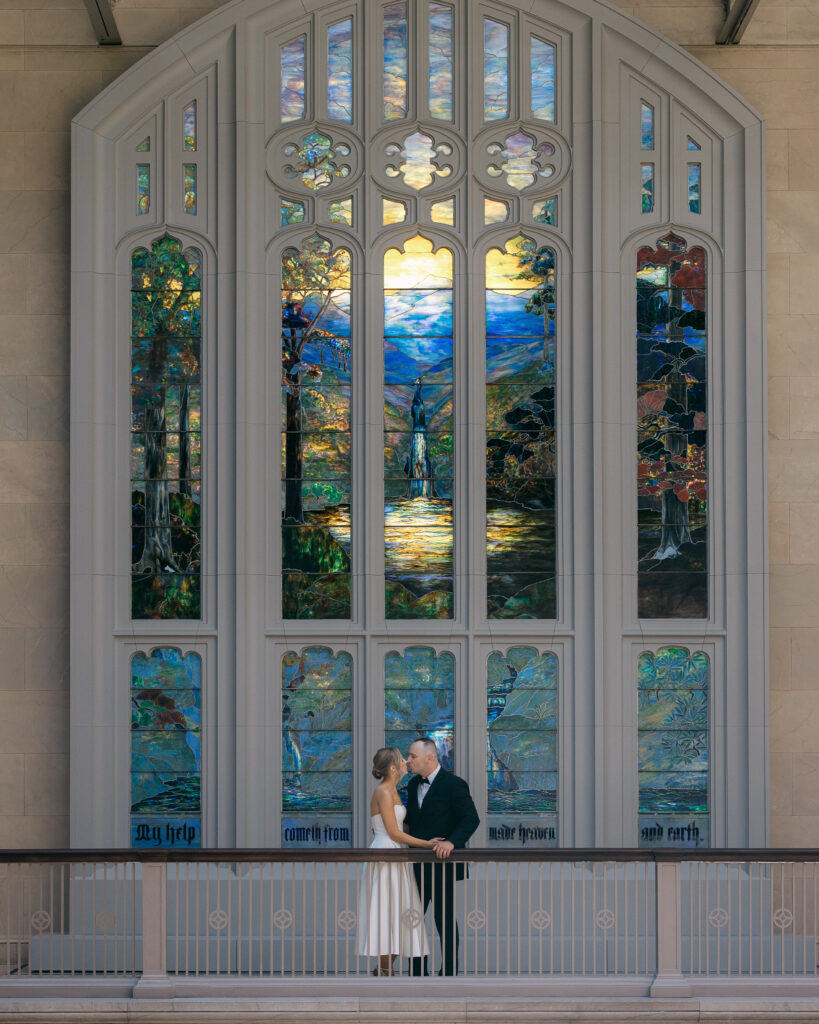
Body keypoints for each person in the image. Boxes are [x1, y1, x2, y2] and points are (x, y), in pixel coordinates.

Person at [357, 747, 441, 976]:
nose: (406, 761)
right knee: (387, 909)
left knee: (402, 911)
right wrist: (427, 843)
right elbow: (392, 832)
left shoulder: (393, 790)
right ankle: (386, 969)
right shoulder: (383, 791)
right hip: (386, 853)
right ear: (393, 768)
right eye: (402, 759)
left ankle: (384, 968)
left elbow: (396, 826)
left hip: (395, 853)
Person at [404, 737, 480, 976]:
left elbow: (471, 819)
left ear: (431, 757)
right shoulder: (411, 785)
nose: (408, 761)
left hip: (443, 864)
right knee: (413, 919)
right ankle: (417, 972)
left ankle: (449, 972)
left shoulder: (454, 784)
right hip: (416, 862)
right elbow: (412, 823)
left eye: (413, 756)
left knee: (443, 918)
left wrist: (451, 842)